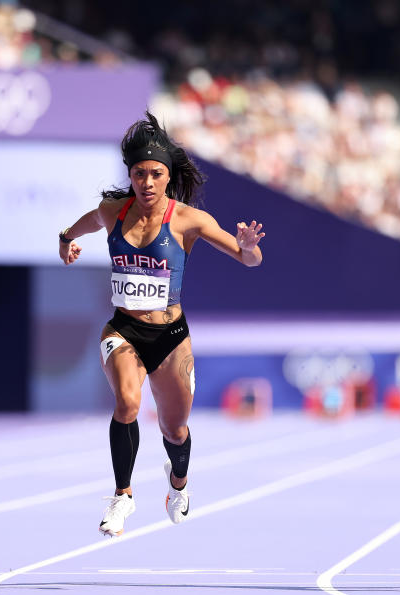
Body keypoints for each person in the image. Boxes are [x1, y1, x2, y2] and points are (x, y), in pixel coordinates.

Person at [58, 112, 265, 537]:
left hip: (171, 337)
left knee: (174, 428)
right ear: (130, 175)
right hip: (123, 330)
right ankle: (122, 496)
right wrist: (66, 240)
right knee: (128, 405)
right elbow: (84, 224)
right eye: (139, 174)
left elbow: (249, 260)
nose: (146, 182)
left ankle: (178, 484)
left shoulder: (190, 220)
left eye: (155, 174)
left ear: (167, 177)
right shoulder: (113, 211)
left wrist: (247, 248)